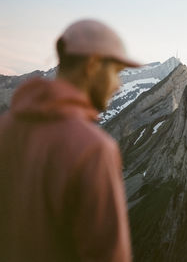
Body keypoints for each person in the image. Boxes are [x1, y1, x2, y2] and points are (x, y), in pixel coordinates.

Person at [0, 19, 140, 262]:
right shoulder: (93, 148)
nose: (118, 86)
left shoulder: (6, 127)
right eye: (116, 72)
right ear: (93, 65)